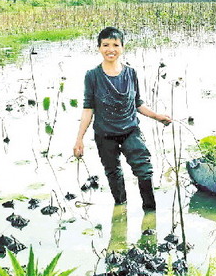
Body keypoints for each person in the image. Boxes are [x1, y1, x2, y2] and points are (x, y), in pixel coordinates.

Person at [73, 27, 172, 210]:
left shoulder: (131, 73)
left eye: (115, 45)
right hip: (105, 134)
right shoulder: (92, 76)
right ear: (99, 48)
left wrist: (158, 116)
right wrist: (79, 139)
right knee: (113, 173)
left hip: (130, 131)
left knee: (144, 169)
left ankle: (149, 214)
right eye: (106, 45)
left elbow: (137, 104)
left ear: (122, 47)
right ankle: (121, 209)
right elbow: (88, 109)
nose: (111, 49)